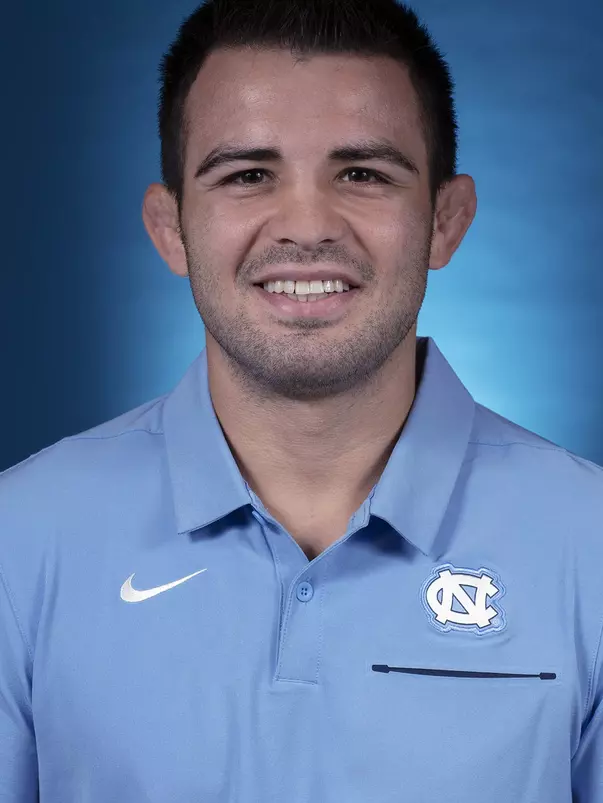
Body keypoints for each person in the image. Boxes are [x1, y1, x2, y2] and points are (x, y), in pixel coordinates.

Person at [1, 0, 602, 800]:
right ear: (171, 226)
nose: (307, 224)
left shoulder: (589, 547)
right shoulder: (20, 540)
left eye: (362, 173)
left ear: (445, 221)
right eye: (248, 174)